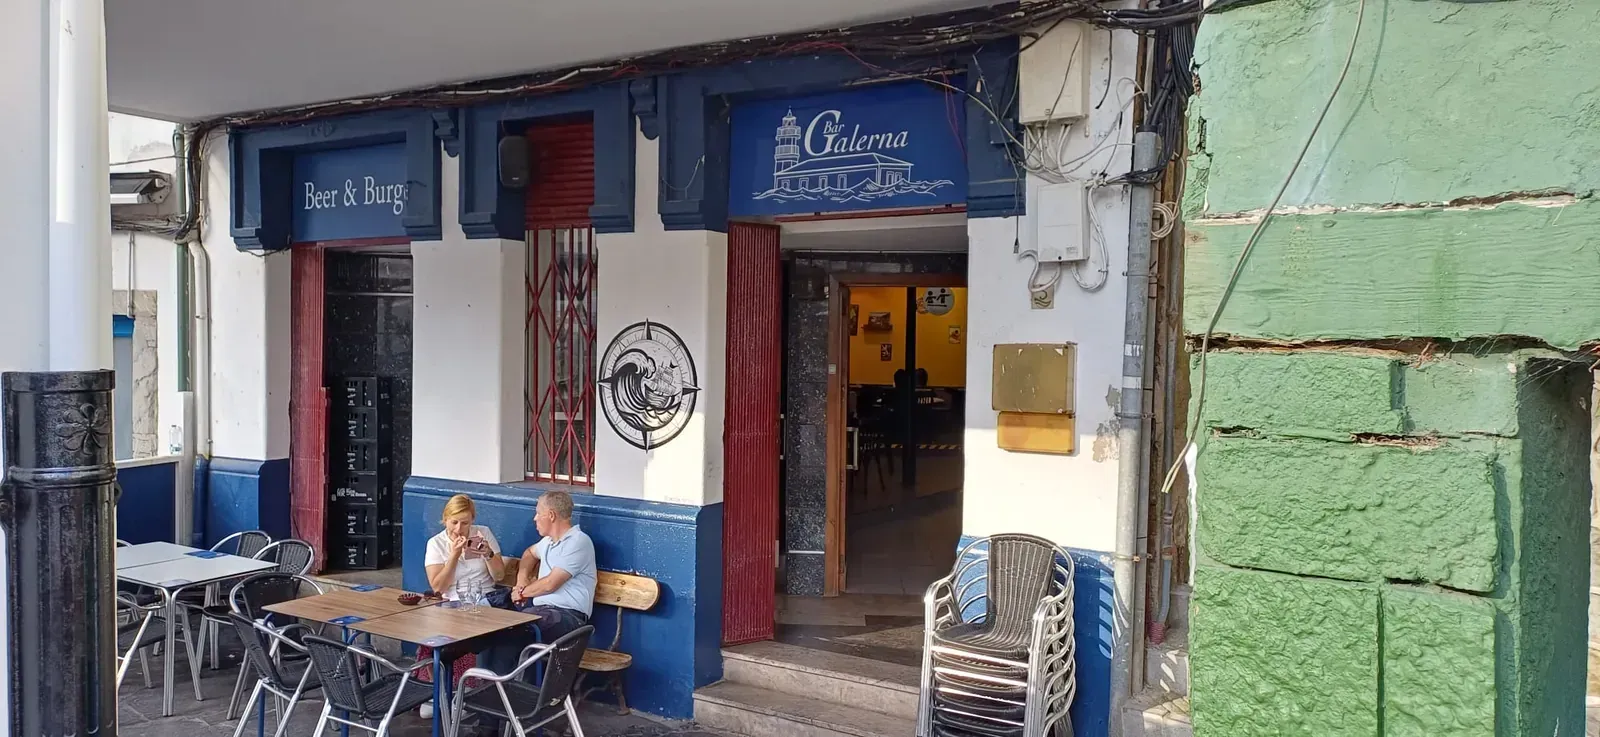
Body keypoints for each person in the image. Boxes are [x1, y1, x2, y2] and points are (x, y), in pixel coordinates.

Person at [481, 490, 596, 672]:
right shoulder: (548, 542)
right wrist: (521, 580)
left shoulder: (578, 541)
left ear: (551, 515)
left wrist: (521, 592)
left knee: (515, 628)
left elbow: (551, 584)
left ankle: (505, 686)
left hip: (568, 617)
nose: (534, 518)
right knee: (488, 625)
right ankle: (486, 682)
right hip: (541, 611)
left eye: (538, 513)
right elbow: (529, 554)